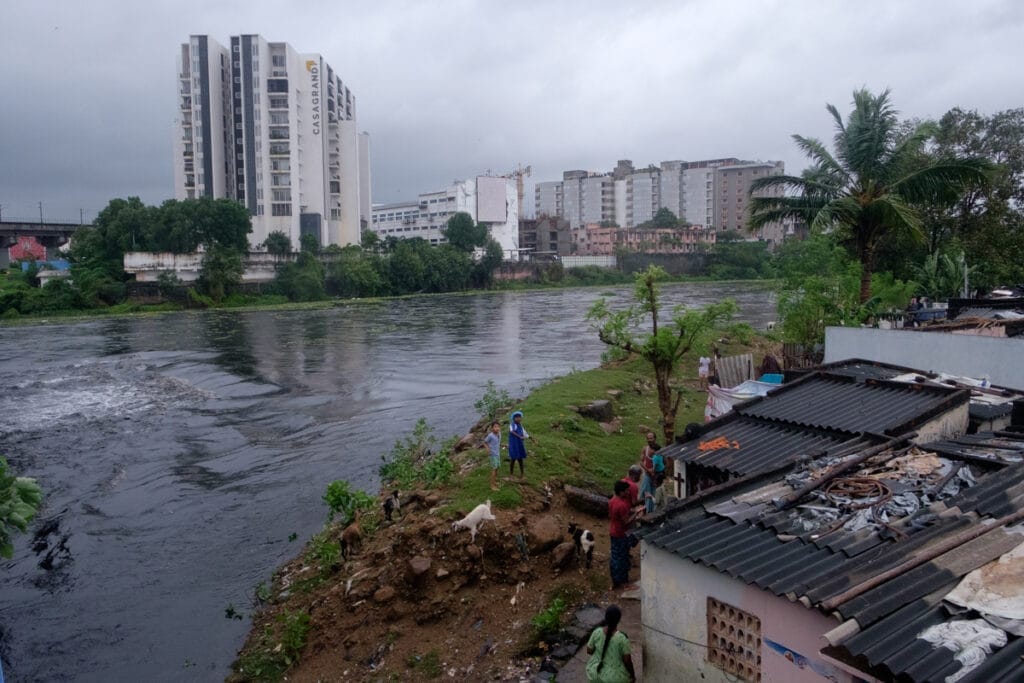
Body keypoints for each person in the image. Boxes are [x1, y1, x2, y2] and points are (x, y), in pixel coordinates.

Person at [585, 604, 636, 683]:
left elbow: (589, 651)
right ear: (618, 620)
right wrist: (632, 676)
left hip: (595, 672)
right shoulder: (622, 638)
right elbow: (627, 661)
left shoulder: (597, 632)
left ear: (606, 618)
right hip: (614, 678)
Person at [609, 480, 639, 590]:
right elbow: (626, 522)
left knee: (614, 557)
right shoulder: (621, 505)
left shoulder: (612, 500)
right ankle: (625, 583)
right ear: (621, 492)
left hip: (613, 531)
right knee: (623, 558)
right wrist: (636, 513)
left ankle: (615, 582)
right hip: (621, 534)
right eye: (626, 491)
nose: (627, 492)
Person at [508, 410, 529, 478]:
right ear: (514, 418)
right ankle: (511, 474)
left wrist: (530, 437)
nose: (518, 418)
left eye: (519, 417)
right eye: (516, 417)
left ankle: (522, 473)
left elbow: (525, 433)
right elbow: (512, 431)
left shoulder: (520, 425)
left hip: (519, 444)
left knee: (520, 459)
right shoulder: (512, 425)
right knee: (513, 459)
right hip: (514, 445)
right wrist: (519, 436)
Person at [483, 420, 502, 491]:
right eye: (495, 427)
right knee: (494, 469)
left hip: (498, 454)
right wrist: (487, 448)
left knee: (497, 468)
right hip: (493, 454)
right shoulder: (490, 435)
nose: (497, 428)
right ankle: (492, 485)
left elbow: (497, 443)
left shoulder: (499, 434)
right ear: (492, 428)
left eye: (498, 427)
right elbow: (484, 442)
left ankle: (495, 482)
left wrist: (503, 445)